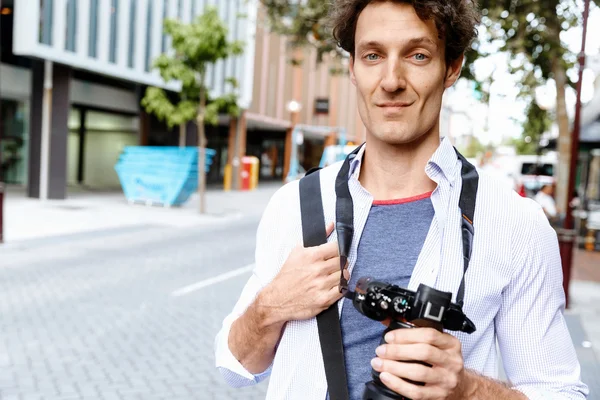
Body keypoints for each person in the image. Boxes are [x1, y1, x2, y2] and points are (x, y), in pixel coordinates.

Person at [214, 1, 589, 399]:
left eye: (417, 55)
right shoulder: (295, 203)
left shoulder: (516, 223)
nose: (391, 80)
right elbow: (235, 365)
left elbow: (561, 391)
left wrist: (466, 389)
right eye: (373, 55)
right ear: (353, 69)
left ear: (452, 67)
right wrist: (270, 306)